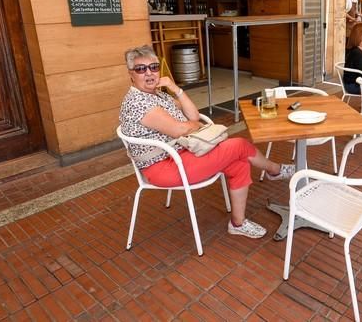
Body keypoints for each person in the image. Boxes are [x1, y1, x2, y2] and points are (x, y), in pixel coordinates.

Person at [119, 45, 294, 239]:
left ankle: (238, 223)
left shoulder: (157, 95)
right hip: (163, 167)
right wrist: (190, 125)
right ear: (131, 74)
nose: (149, 73)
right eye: (141, 69)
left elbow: (193, 115)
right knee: (239, 146)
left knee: (239, 162)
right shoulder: (138, 102)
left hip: (181, 153)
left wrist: (175, 88)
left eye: (153, 67)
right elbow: (182, 128)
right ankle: (274, 170)